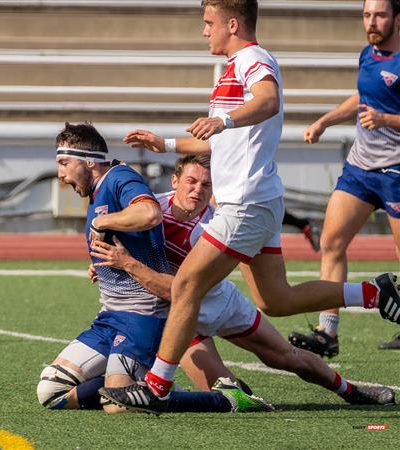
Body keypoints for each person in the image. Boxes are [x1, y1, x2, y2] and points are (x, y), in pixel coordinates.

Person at [99, 0, 400, 413]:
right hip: (257, 202)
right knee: (275, 301)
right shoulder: (230, 71)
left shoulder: (252, 58)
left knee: (187, 285)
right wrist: (165, 144)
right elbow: (216, 140)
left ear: (233, 24)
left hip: (245, 204)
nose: (205, 31)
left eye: (209, 23)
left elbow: (269, 99)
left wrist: (224, 121)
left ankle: (156, 387)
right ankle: (373, 291)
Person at [96, 155, 395, 409]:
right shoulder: (151, 210)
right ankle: (244, 396)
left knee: (286, 357)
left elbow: (177, 289)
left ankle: (351, 391)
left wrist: (127, 264)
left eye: (206, 185)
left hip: (218, 302)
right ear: (174, 181)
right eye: (191, 181)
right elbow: (116, 236)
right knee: (226, 396)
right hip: (178, 317)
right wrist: (101, 264)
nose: (197, 190)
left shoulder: (213, 228)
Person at [37, 121, 267, 414]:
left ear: (88, 161)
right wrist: (100, 263)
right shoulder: (98, 188)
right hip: (110, 316)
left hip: (142, 317)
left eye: (64, 163)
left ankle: (225, 400)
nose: (60, 173)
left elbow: (150, 213)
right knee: (51, 391)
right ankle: (139, 383)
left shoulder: (119, 177)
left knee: (117, 405)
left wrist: (100, 223)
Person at [289, 0, 400, 357]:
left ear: (398, 18)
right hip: (360, 169)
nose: (372, 22)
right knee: (332, 241)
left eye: (380, 15)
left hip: (396, 171)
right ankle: (327, 332)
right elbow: (362, 97)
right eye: (367, 15)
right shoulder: (368, 54)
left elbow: (380, 111)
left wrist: (385, 120)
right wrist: (325, 120)